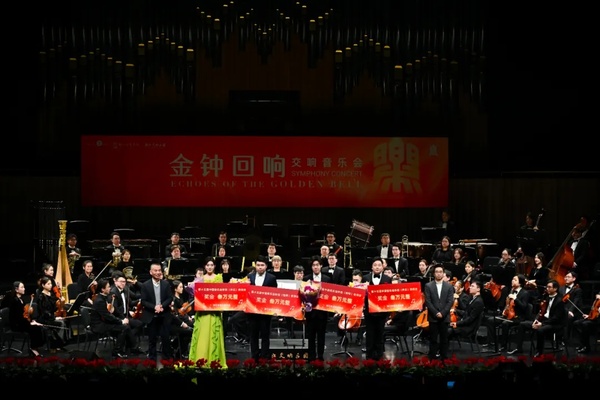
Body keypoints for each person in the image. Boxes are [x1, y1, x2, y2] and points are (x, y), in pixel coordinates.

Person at [188, 256, 228, 367]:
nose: (209, 267)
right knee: (202, 336)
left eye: (211, 265)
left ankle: (214, 362)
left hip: (214, 312)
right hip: (203, 313)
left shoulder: (219, 278)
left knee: (213, 336)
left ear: (214, 266)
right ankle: (201, 360)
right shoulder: (200, 279)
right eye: (207, 265)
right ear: (205, 267)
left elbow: (221, 294)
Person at [512, 279, 567, 357]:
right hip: (544, 321)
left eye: (549, 287)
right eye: (547, 287)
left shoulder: (560, 301)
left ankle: (539, 351)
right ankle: (519, 348)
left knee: (540, 330)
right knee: (522, 324)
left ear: (555, 289)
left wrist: (542, 324)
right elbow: (541, 312)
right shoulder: (546, 297)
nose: (547, 289)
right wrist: (536, 320)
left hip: (555, 324)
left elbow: (556, 318)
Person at [89, 277, 137, 358]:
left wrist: (120, 319)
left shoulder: (103, 297)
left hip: (104, 322)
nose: (110, 288)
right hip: (99, 325)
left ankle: (131, 347)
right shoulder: (99, 301)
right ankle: (117, 351)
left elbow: (109, 313)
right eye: (108, 287)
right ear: (102, 289)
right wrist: (121, 321)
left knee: (125, 327)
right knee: (123, 328)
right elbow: (107, 316)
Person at [488, 274, 531, 353]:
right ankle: (492, 343)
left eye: (515, 280)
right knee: (491, 320)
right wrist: (505, 309)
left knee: (505, 323)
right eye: (512, 279)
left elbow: (524, 307)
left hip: (518, 317)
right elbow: (508, 304)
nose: (512, 281)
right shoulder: (511, 290)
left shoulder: (525, 293)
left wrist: (516, 299)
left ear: (520, 283)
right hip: (508, 315)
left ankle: (503, 346)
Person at [140, 262, 174, 361]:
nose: (158, 272)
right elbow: (143, 301)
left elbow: (170, 298)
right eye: (155, 270)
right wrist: (154, 307)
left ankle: (166, 360)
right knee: (152, 339)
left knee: (166, 338)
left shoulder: (166, 284)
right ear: (151, 272)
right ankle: (152, 360)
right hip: (151, 315)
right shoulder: (145, 285)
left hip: (164, 314)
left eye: (159, 270)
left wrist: (162, 306)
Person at [247, 255, 278, 361]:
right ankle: (254, 357)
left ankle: (264, 358)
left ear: (266, 266)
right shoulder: (250, 277)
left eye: (262, 265)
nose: (260, 267)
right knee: (253, 335)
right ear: (255, 266)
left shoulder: (271, 278)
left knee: (265, 335)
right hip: (252, 312)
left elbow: (275, 294)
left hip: (266, 312)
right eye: (258, 265)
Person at [362, 257, 392, 360]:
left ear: (383, 267)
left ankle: (380, 357)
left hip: (382, 312)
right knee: (369, 335)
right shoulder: (365, 278)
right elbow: (361, 294)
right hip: (369, 312)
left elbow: (389, 295)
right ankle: (369, 358)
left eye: (379, 265)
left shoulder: (387, 279)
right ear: (372, 267)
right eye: (375, 265)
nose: (377, 267)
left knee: (380, 334)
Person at [424, 264, 455, 360]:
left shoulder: (449, 286)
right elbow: (428, 301)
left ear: (443, 273)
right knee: (433, 339)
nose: (438, 274)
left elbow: (450, 301)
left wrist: (443, 313)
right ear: (434, 273)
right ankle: (432, 358)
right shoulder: (428, 286)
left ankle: (444, 359)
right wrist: (436, 313)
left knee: (444, 339)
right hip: (433, 317)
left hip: (444, 317)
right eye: (437, 272)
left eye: (440, 272)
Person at [7, 281, 46, 357]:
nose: (24, 289)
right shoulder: (14, 301)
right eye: (22, 287)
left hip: (22, 322)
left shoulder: (21, 299)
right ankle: (33, 348)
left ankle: (35, 347)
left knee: (37, 327)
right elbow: (18, 318)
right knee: (35, 328)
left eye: (24, 287)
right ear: (16, 289)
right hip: (17, 325)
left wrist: (32, 321)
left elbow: (25, 314)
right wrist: (30, 323)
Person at [303, 256, 331, 361]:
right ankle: (311, 356)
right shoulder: (306, 278)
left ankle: (320, 356)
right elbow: (302, 294)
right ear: (311, 267)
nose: (315, 267)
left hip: (322, 312)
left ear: (321, 266)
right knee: (310, 335)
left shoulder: (327, 279)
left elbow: (330, 295)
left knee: (321, 335)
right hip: (310, 312)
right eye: (313, 265)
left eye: (317, 265)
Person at [110, 271, 144, 354]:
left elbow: (130, 303)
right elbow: (115, 310)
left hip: (126, 315)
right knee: (126, 327)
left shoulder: (125, 289)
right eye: (121, 281)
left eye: (124, 282)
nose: (123, 283)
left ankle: (129, 343)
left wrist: (141, 300)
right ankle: (133, 347)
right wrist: (123, 319)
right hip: (118, 318)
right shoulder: (113, 292)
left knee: (140, 324)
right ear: (115, 281)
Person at [35, 276, 68, 351]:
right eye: (48, 284)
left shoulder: (51, 294)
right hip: (44, 318)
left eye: (51, 284)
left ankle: (58, 343)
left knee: (64, 321)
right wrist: (54, 317)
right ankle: (57, 344)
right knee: (61, 323)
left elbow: (54, 308)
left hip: (51, 316)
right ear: (43, 285)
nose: (50, 285)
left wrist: (61, 303)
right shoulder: (41, 297)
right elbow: (44, 312)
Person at [170, 280, 194, 359]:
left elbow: (183, 312)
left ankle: (175, 345)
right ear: (175, 289)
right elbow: (176, 315)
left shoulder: (180, 298)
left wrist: (188, 317)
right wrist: (183, 322)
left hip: (182, 320)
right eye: (180, 287)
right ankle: (179, 350)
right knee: (190, 331)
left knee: (192, 326)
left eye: (182, 287)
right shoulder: (173, 300)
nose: (182, 289)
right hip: (176, 323)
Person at [559, 270, 583, 339]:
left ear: (574, 279)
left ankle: (565, 338)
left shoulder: (577, 290)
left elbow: (575, 302)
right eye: (565, 277)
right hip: (562, 309)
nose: (566, 278)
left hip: (573, 311)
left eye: (568, 277)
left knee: (568, 318)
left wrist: (570, 311)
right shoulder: (561, 288)